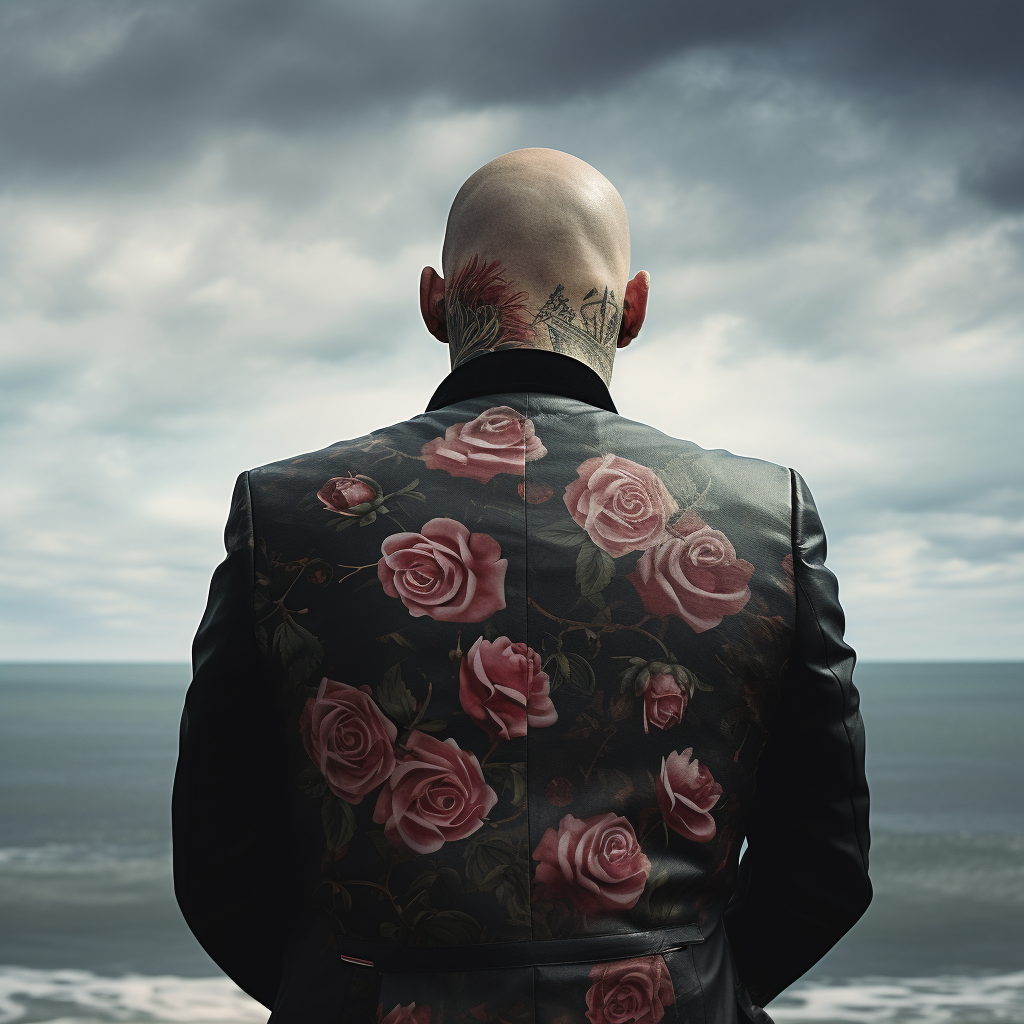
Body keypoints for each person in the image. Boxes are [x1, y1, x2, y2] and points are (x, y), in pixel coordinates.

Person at [172, 148, 871, 1024]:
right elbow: (828, 868)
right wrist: (689, 987)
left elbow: (216, 863)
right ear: (635, 309)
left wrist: (352, 992)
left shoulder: (284, 511)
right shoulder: (767, 517)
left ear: (433, 302)